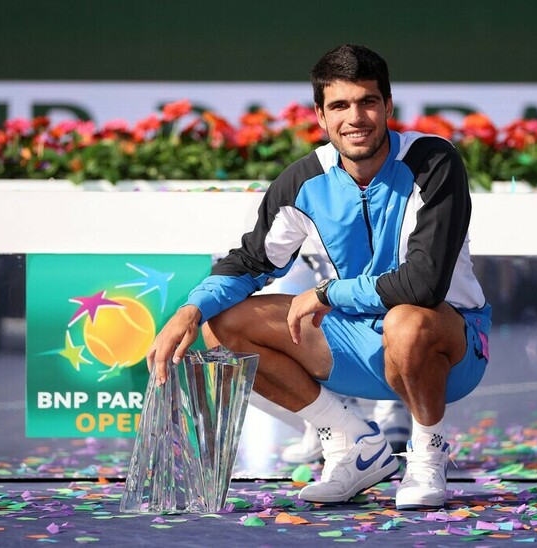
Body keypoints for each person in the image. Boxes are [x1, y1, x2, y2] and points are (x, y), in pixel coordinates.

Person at [147, 44, 491, 510]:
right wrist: (190, 310)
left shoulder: (434, 161)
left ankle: (427, 456)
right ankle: (351, 443)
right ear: (320, 115)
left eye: (368, 102)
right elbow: (250, 262)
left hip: (450, 349)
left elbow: (423, 284)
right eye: (340, 106)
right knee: (223, 326)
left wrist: (328, 292)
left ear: (388, 106)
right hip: (356, 343)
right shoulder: (304, 180)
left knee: (407, 320)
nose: (356, 118)